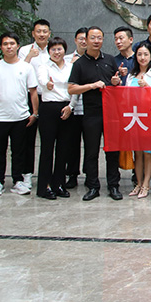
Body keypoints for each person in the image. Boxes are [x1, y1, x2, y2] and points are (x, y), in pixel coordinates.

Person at [68, 26, 123, 201]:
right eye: (92, 38)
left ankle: (113, 185)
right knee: (91, 152)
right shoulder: (79, 64)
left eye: (99, 37)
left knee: (112, 151)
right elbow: (71, 88)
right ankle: (93, 186)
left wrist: (115, 82)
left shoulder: (110, 59)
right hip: (91, 114)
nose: (96, 41)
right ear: (86, 40)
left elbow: (115, 84)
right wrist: (91, 86)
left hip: (111, 113)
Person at [0, 33, 39, 196]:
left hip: (20, 116)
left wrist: (35, 113)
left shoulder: (26, 67)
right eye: (5, 44)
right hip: (0, 117)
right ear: (1, 47)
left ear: (17, 46)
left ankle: (18, 180)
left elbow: (33, 92)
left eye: (12, 43)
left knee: (18, 151)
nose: (9, 46)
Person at [36, 37, 75, 200]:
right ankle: (43, 186)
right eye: (53, 49)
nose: (56, 52)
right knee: (47, 149)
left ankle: (58, 184)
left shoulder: (71, 67)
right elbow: (42, 81)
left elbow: (74, 88)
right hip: (48, 109)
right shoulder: (43, 66)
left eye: (59, 49)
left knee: (63, 149)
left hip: (66, 108)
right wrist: (48, 84)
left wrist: (71, 107)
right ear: (49, 51)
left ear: (64, 50)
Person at [126, 41, 151, 199]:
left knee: (149, 152)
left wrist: (147, 87)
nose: (142, 57)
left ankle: (146, 184)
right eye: (139, 54)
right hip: (135, 118)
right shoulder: (131, 75)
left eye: (145, 54)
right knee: (138, 153)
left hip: (150, 118)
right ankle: (138, 183)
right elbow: (125, 97)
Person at [17, 19, 51, 190]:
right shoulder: (24, 50)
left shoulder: (54, 50)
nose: (42, 34)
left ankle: (48, 176)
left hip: (48, 99)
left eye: (45, 31)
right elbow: (18, 71)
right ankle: (26, 175)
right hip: (29, 98)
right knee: (28, 139)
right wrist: (29, 57)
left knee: (47, 140)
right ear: (33, 33)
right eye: (38, 31)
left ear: (49, 34)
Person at [64, 27, 88, 188]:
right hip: (71, 109)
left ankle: (89, 174)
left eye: (86, 38)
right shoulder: (66, 59)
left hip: (88, 109)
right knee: (72, 144)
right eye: (81, 39)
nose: (84, 41)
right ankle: (72, 174)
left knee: (90, 145)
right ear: (75, 40)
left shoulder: (94, 60)